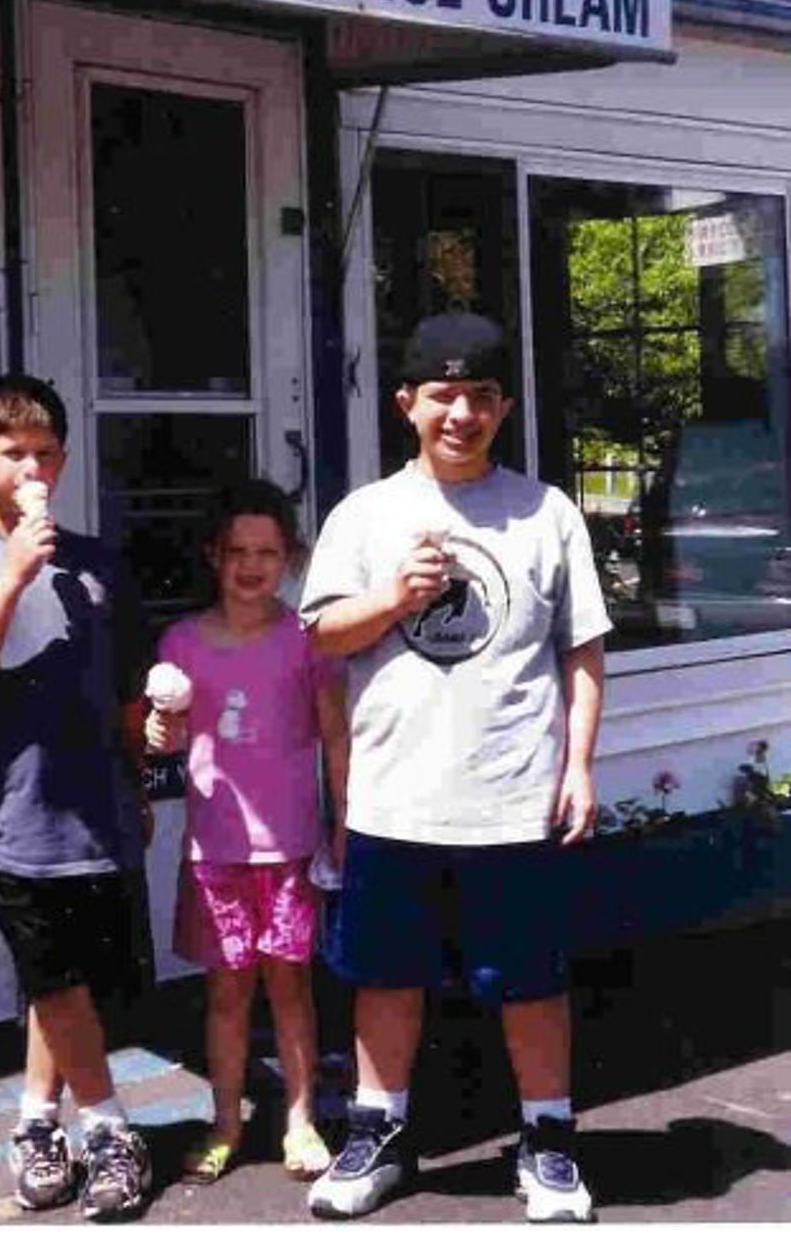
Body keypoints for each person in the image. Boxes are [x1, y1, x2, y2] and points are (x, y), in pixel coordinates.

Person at [297, 312, 610, 1224]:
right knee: (384, 975)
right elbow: (319, 636)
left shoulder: (548, 512)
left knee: (531, 979)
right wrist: (396, 594)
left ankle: (548, 1140)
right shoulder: (367, 514)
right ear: (407, 402)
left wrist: (580, 764)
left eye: (480, 395)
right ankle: (381, 1131)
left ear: (504, 404)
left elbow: (581, 652)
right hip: (395, 798)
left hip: (514, 795)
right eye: (442, 394)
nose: (460, 412)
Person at [0, 374, 155, 1222]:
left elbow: (127, 688)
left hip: (99, 812)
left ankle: (32, 1123)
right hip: (11, 816)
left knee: (69, 981)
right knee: (55, 981)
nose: (32, 467)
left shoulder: (97, 563)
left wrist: (143, 763)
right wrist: (12, 573)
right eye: (13, 453)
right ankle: (111, 1129)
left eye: (46, 452)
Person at [145, 478, 350, 1185]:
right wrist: (158, 727)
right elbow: (165, 740)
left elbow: (334, 733)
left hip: (290, 846)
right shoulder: (181, 641)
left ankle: (301, 1120)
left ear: (288, 558)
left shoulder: (306, 638)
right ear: (214, 555)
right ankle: (226, 1120)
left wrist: (343, 820)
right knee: (228, 993)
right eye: (238, 551)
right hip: (215, 850)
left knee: (291, 989)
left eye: (267, 551)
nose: (252, 565)